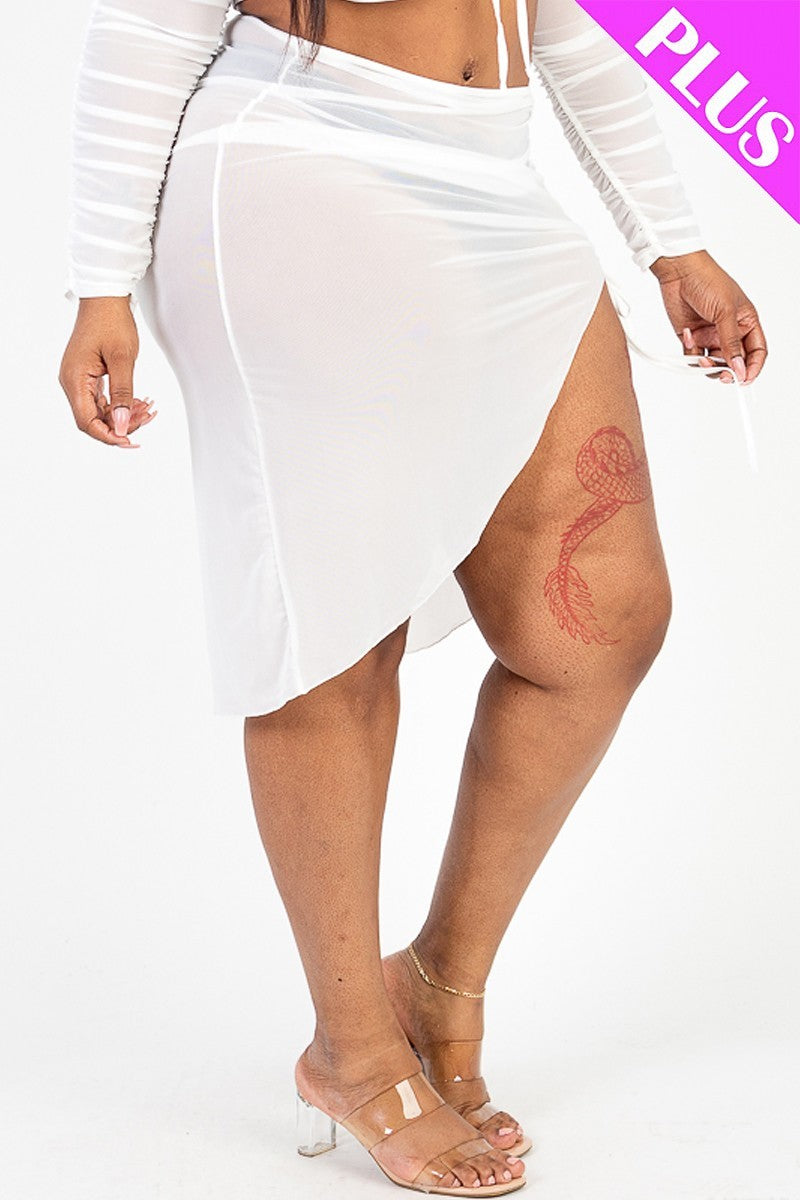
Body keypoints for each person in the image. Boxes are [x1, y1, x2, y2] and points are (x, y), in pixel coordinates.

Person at [58, 0, 767, 1194]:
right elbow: (146, 28)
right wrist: (100, 286)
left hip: (495, 174)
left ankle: (435, 981)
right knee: (335, 634)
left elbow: (568, 21)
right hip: (302, 168)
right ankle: (350, 1049)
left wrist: (671, 241)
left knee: (601, 623)